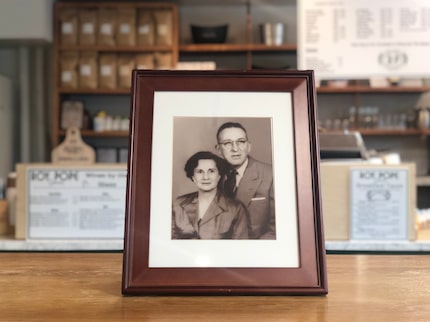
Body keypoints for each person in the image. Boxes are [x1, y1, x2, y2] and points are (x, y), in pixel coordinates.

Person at [216, 122, 276, 239]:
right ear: (218, 150)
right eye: (228, 143)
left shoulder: (272, 174)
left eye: (241, 142)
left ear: (248, 146)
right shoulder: (215, 175)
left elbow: (279, 229)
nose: (235, 148)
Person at [172, 151, 249, 239]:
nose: (206, 177)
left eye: (211, 171)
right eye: (200, 172)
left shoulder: (236, 209)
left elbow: (240, 247)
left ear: (219, 176)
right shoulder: (177, 205)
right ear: (193, 177)